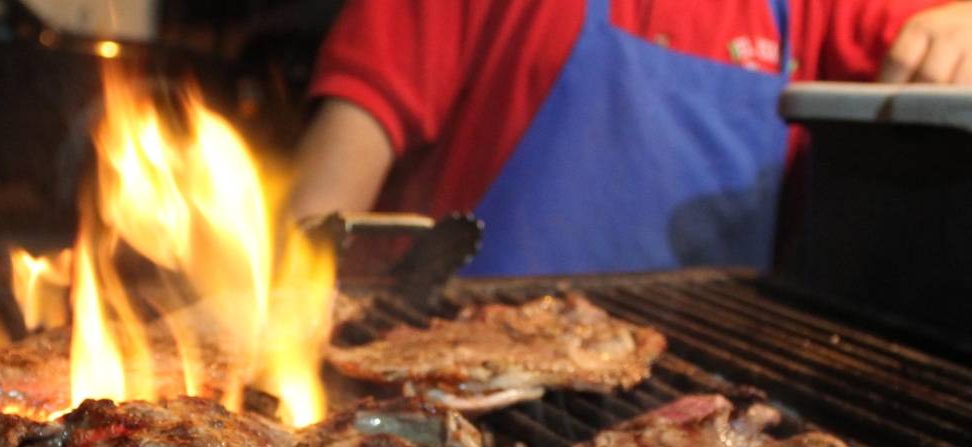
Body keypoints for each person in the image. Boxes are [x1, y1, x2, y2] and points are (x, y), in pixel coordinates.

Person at [288, 0, 972, 275]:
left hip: (703, 436)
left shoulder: (823, 8)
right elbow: (323, 200)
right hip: (445, 415)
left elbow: (943, 36)